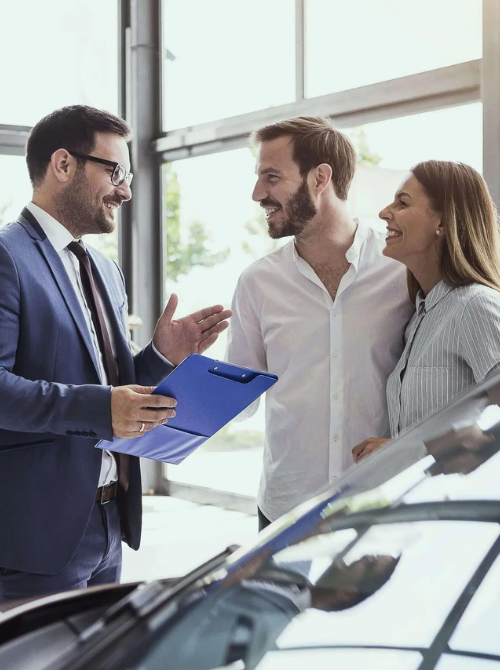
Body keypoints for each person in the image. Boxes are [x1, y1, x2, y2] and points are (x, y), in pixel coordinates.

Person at [0, 105, 231, 601]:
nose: (125, 190)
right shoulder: (7, 257)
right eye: (115, 171)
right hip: (36, 536)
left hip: (109, 524)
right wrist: (102, 408)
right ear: (63, 165)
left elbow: (114, 388)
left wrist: (161, 356)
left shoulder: (105, 271)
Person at [225, 116, 414, 530]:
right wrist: (178, 367)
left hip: (381, 504)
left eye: (271, 177)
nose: (258, 194)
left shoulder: (401, 270)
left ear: (320, 177)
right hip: (285, 510)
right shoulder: (258, 282)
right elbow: (238, 402)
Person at [353, 160, 500, 463]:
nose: (384, 213)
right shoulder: (419, 315)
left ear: (443, 223)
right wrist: (397, 446)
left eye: (402, 202)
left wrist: (408, 449)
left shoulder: (475, 307)